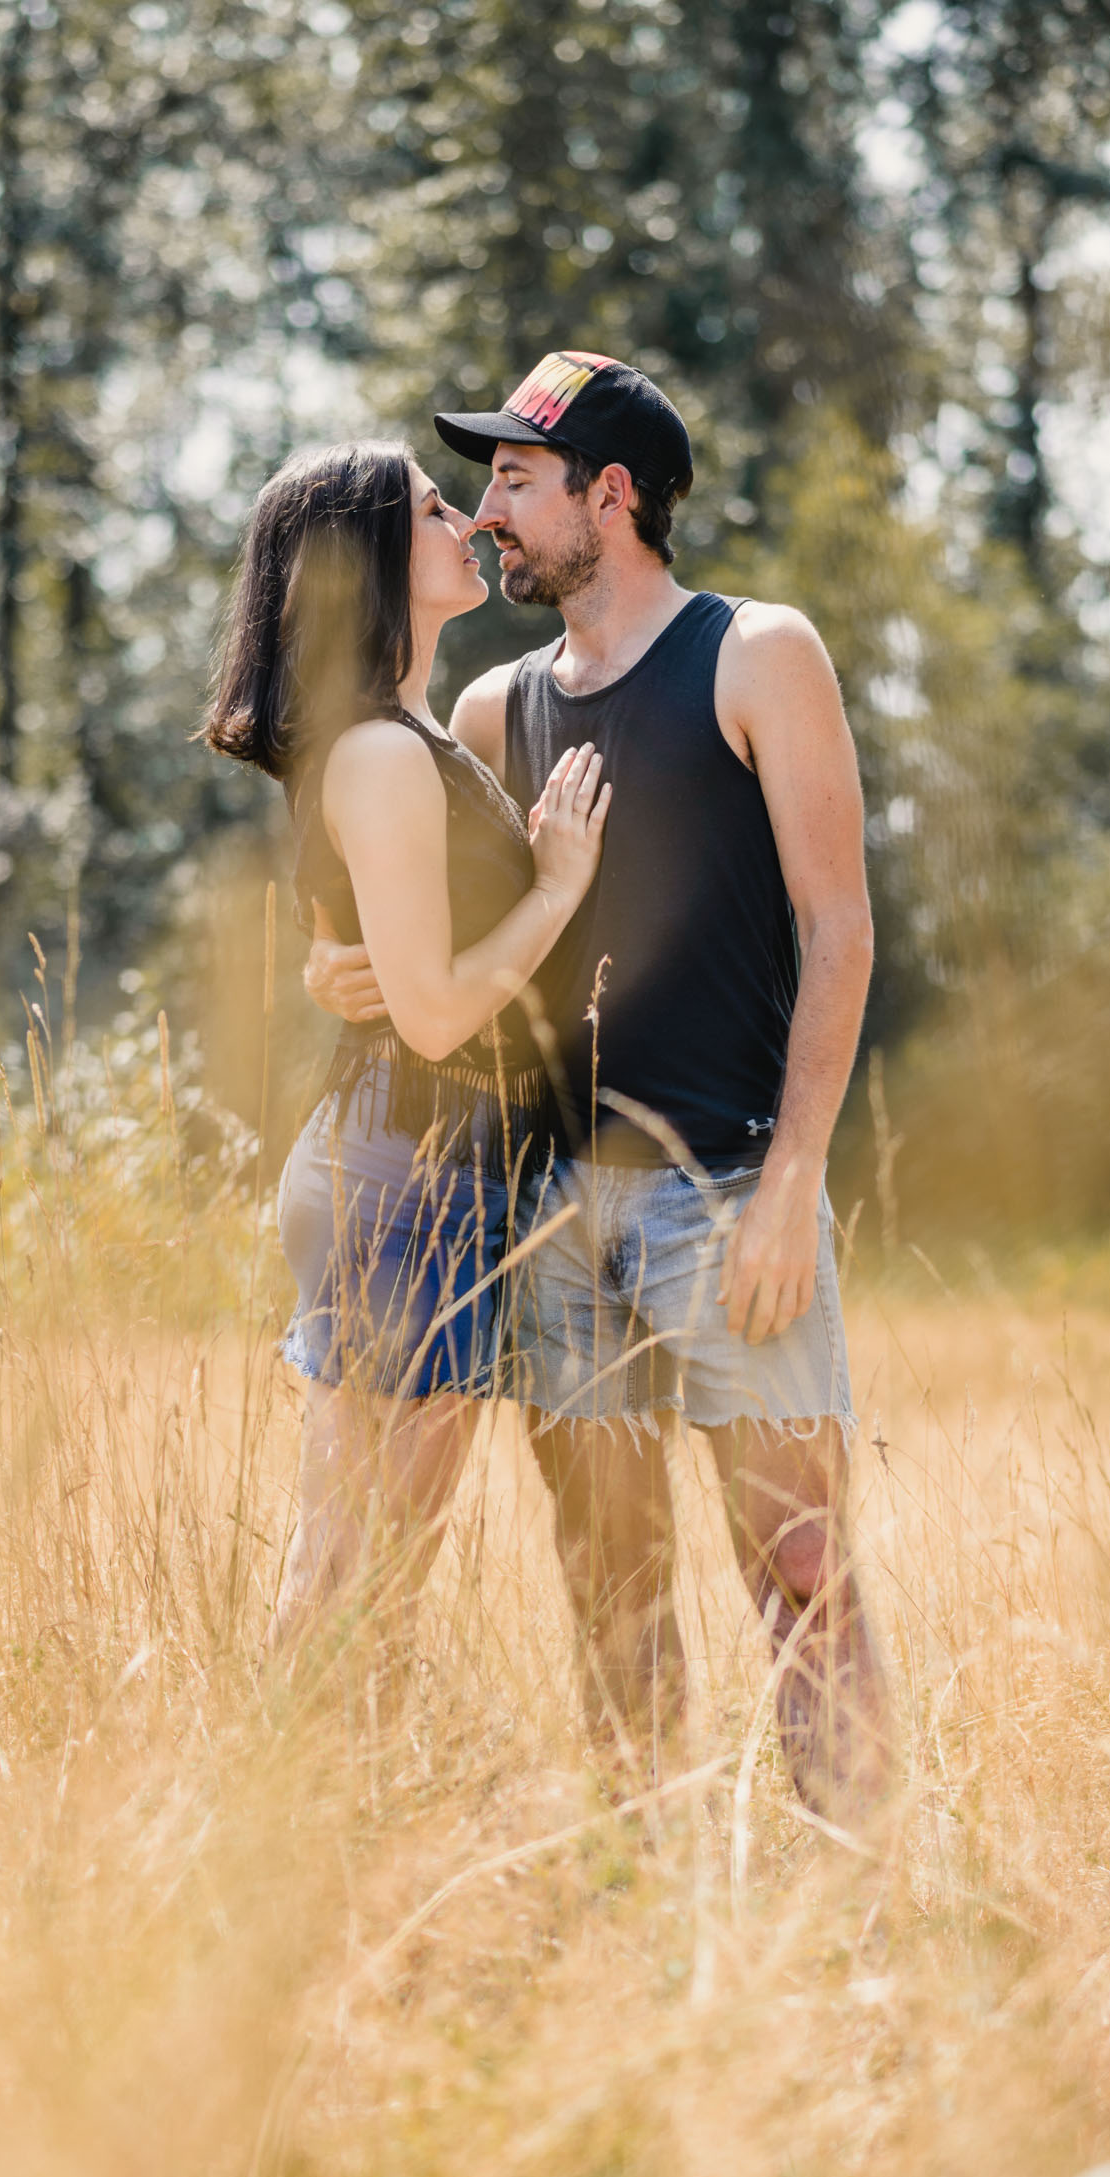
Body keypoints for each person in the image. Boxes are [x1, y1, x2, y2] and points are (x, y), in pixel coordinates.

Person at [304, 354, 892, 1824]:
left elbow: (840, 931)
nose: (488, 512)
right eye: (485, 481)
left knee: (799, 1563)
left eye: (513, 477)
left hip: (730, 1193)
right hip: (558, 1213)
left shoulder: (758, 653)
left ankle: (865, 1884)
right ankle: (651, 1865)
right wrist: (343, 976)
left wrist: (796, 1183)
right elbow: (425, 913)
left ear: (607, 494)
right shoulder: (501, 708)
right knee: (610, 1584)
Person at [202, 441, 610, 1678]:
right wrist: (556, 887)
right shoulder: (380, 753)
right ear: (373, 555)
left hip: (430, 1165)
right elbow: (433, 1015)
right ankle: (270, 1831)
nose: (473, 524)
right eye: (438, 509)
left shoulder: (401, 731)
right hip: (406, 1166)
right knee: (357, 1569)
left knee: (367, 1565)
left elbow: (361, 955)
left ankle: (311, 1831)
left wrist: (342, 972)